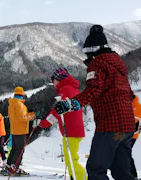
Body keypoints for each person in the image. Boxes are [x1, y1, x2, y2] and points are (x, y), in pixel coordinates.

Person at [53, 25, 135, 180]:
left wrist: (69, 104)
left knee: (95, 169)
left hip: (110, 125)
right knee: (121, 171)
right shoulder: (118, 66)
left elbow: (93, 90)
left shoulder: (97, 64)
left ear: (92, 51)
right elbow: (129, 94)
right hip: (127, 125)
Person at [37, 67, 86, 180]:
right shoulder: (73, 89)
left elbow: (56, 112)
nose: (53, 82)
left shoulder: (65, 90)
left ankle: (82, 178)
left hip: (71, 131)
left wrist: (42, 124)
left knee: (70, 160)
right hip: (75, 129)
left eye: (53, 79)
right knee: (71, 159)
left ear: (59, 79)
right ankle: (75, 176)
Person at [2, 86, 37, 175]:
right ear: (22, 95)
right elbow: (22, 117)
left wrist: (27, 113)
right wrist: (32, 115)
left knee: (14, 149)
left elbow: (17, 116)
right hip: (21, 130)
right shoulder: (19, 104)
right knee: (20, 150)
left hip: (14, 130)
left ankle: (8, 165)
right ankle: (15, 167)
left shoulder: (12, 104)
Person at [131, 94, 141, 180]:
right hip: (124, 133)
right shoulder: (126, 102)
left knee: (125, 154)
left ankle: (133, 176)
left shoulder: (136, 105)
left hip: (132, 135)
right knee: (123, 154)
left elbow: (135, 119)